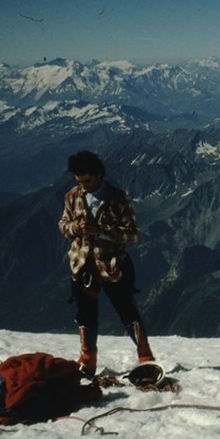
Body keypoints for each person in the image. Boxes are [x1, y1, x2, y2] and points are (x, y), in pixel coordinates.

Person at [59, 150, 155, 376]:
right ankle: (88, 358)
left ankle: (145, 355)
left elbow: (133, 233)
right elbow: (63, 224)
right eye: (79, 181)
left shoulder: (118, 198)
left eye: (88, 181)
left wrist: (102, 231)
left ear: (99, 174)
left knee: (127, 311)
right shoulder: (72, 196)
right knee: (85, 313)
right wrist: (75, 228)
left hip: (113, 265)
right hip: (83, 264)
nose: (84, 185)